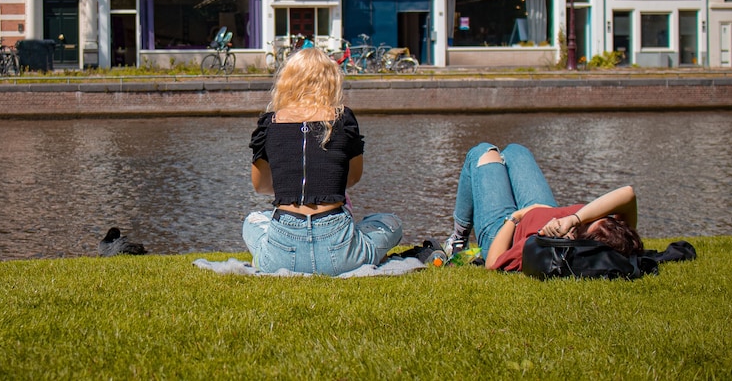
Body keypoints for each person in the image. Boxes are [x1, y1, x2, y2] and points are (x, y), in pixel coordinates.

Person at [241, 47, 403, 275]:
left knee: (253, 221)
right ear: (331, 81)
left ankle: (266, 257)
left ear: (287, 82)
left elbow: (261, 186)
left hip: (282, 253)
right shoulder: (343, 119)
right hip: (340, 249)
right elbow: (353, 178)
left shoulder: (269, 125)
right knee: (390, 222)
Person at [444, 143, 642, 271]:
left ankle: (458, 240)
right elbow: (628, 193)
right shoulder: (612, 235)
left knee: (484, 152)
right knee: (516, 151)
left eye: (580, 227)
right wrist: (574, 219)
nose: (585, 219)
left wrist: (516, 217)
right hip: (542, 208)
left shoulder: (549, 245)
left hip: (505, 228)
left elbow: (493, 263)